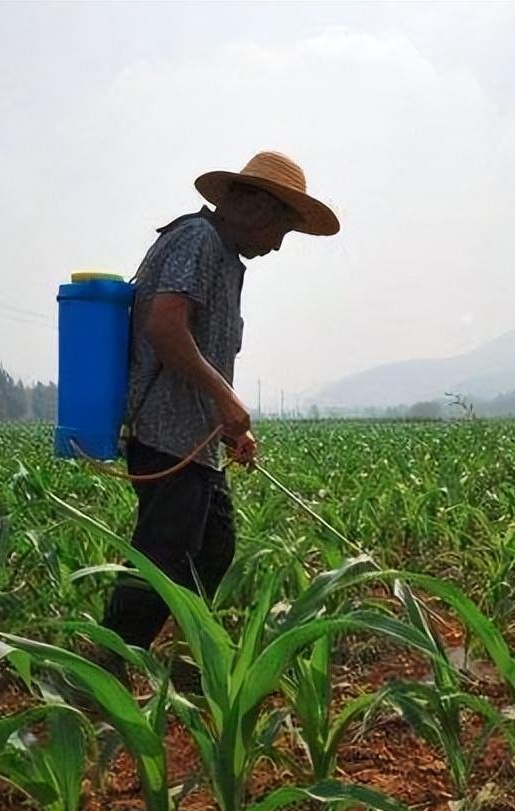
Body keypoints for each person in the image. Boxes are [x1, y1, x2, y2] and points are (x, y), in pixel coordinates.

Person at [98, 151, 339, 687]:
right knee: (163, 554)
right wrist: (227, 400)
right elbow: (166, 327)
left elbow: (207, 347)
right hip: (165, 431)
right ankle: (105, 668)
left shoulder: (228, 260)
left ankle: (189, 663)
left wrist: (231, 422)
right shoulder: (197, 240)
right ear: (253, 207)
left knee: (215, 546)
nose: (278, 245)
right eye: (282, 228)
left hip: (197, 437)